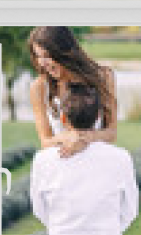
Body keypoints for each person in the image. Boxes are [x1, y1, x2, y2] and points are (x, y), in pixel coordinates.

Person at [30, 83, 139, 235]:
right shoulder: (121, 158)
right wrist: (106, 230)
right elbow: (129, 211)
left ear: (63, 118)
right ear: (98, 117)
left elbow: (40, 210)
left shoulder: (44, 160)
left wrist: (63, 227)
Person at [27, 26, 118, 158]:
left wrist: (82, 139)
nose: (42, 63)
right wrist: (70, 138)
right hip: (63, 164)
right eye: (38, 56)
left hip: (98, 161)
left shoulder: (104, 77)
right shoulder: (39, 88)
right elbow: (45, 141)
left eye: (47, 56)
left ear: (65, 51)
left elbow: (111, 133)